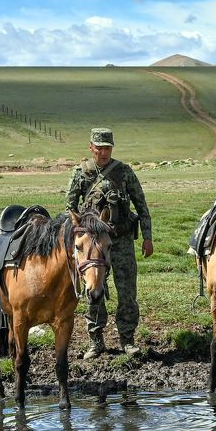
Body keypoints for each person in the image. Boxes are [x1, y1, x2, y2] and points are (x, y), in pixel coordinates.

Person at [65, 127, 153, 358]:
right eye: (99, 148)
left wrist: (147, 237)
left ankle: (128, 340)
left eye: (107, 148)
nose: (103, 152)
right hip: (93, 242)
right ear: (91, 147)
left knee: (127, 292)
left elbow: (141, 205)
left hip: (121, 239)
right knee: (93, 290)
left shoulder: (124, 172)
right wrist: (79, 231)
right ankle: (96, 342)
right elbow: (70, 206)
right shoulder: (81, 172)